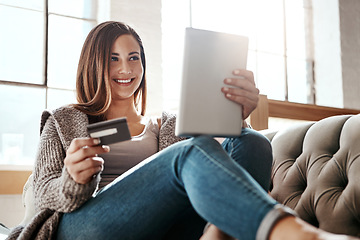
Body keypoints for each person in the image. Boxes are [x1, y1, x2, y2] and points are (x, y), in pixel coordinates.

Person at [7, 21, 359, 240]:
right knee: (189, 153)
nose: (126, 67)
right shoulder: (64, 120)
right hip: (85, 227)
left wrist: (236, 115)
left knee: (251, 141)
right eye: (113, 58)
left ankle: (220, 236)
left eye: (134, 57)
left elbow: (219, 163)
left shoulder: (168, 126)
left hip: (165, 228)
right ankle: (290, 234)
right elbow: (41, 197)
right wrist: (72, 179)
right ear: (94, 64)